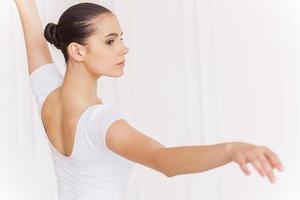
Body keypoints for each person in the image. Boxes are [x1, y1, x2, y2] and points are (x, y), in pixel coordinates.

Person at [13, 0, 284, 199]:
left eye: (121, 38)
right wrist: (230, 150)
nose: (123, 48)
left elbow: (28, 14)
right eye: (110, 41)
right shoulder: (101, 123)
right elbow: (164, 160)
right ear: (77, 51)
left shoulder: (48, 96)